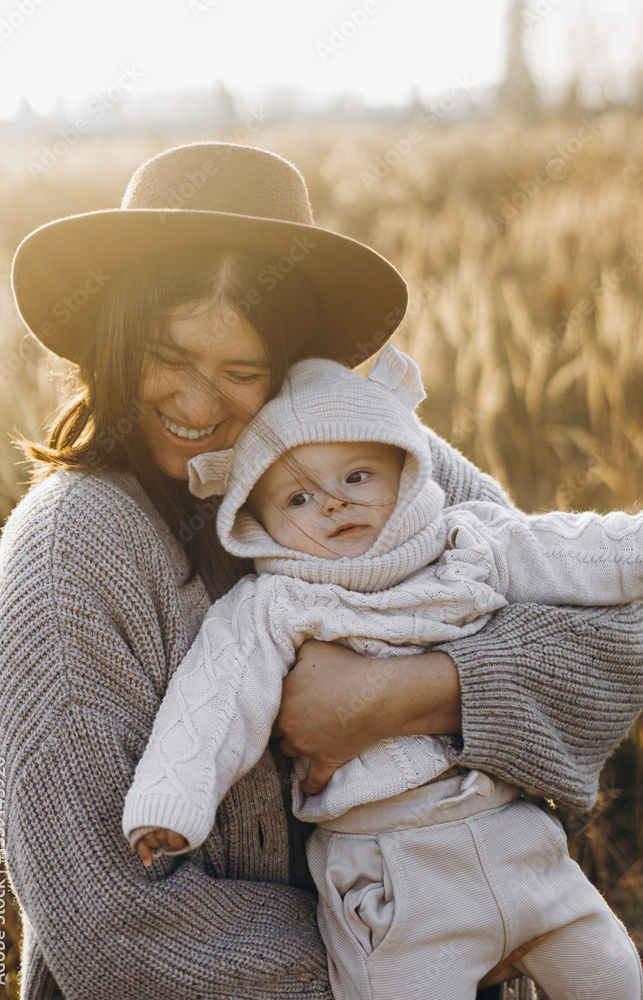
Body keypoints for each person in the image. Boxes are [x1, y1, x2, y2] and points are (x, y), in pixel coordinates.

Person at [0, 141, 643, 1000]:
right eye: (166, 355)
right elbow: (113, 927)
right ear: (112, 335)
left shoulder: (376, 455)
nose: (194, 405)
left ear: (289, 363)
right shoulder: (71, 551)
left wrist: (419, 688)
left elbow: (615, 623)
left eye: (241, 371)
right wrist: (414, 939)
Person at [123, 345, 643, 1000]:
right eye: (299, 497)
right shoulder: (274, 604)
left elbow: (580, 551)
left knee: (612, 975)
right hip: (394, 873)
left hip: (515, 838)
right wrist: (171, 804)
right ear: (258, 522)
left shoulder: (466, 542)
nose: (335, 505)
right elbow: (213, 699)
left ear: (405, 467)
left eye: (358, 477)